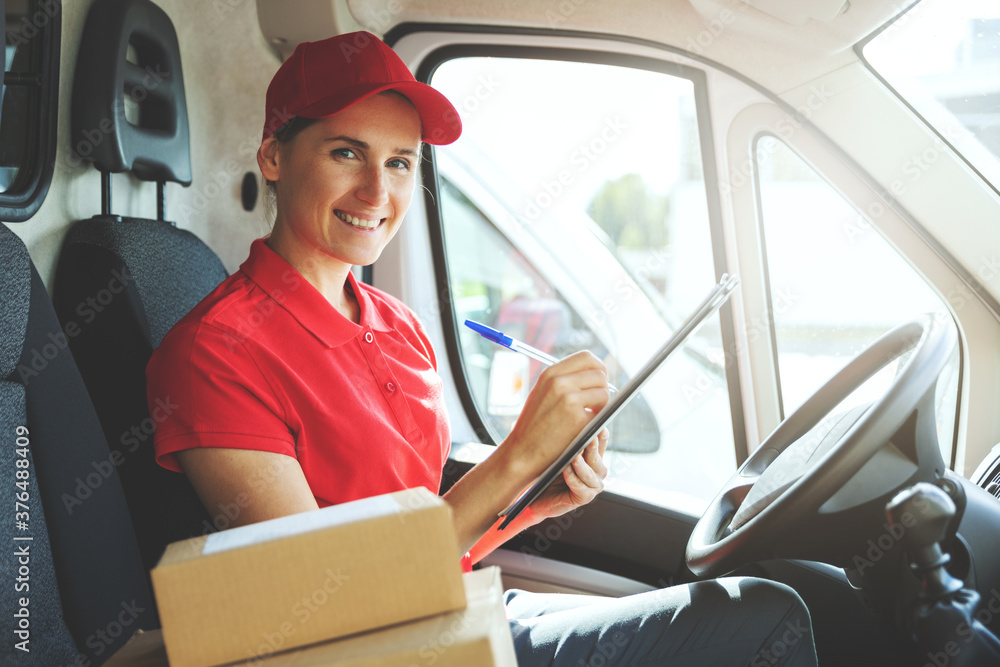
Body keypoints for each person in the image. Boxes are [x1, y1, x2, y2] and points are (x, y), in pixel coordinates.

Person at [146, 30, 818, 666]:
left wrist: (534, 490)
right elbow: (319, 595)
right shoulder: (216, 351)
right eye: (346, 152)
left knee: (771, 597)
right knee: (763, 616)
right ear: (274, 156)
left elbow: (432, 534)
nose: (378, 192)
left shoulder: (400, 325)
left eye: (401, 162)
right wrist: (516, 454)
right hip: (373, 647)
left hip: (451, 609)